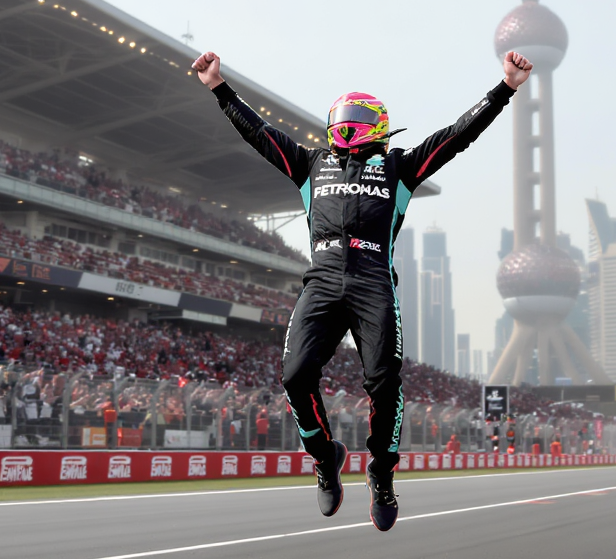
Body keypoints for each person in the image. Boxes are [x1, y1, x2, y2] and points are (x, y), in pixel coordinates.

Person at [193, 49, 532, 531]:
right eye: (341, 117)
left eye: (356, 118)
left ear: (378, 125)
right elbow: (259, 133)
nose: (345, 125)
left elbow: (458, 135)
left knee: (385, 383)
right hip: (323, 281)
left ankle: (381, 473)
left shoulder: (400, 169)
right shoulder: (310, 164)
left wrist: (505, 87)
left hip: (374, 283)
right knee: (294, 375)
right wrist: (219, 88)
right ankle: (325, 456)